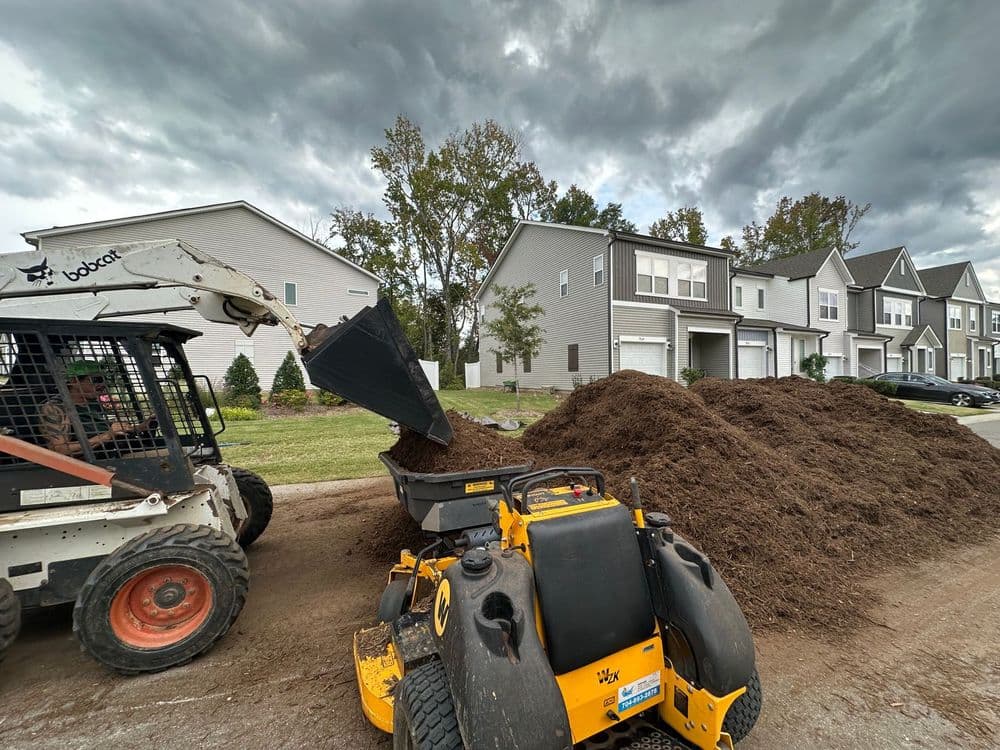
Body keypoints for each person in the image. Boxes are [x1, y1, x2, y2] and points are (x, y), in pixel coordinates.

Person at [38, 360, 156, 456]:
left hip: (120, 451)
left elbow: (104, 429)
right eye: (96, 380)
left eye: (105, 380)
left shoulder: (93, 405)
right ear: (74, 381)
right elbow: (60, 450)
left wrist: (141, 427)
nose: (102, 384)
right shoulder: (55, 408)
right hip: (97, 462)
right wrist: (107, 436)